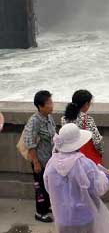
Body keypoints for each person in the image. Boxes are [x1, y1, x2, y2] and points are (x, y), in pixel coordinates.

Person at [43, 123, 109, 233]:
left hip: (62, 216)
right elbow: (98, 189)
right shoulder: (85, 164)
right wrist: (106, 177)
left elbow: (48, 187)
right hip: (84, 216)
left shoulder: (51, 164)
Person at [23, 90, 56, 223]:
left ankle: (46, 207)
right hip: (40, 161)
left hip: (49, 160)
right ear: (40, 106)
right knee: (40, 187)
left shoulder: (49, 117)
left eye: (51, 101)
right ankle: (39, 213)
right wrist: (35, 162)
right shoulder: (35, 121)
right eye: (48, 103)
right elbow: (29, 142)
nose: (52, 105)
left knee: (48, 185)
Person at [61, 90, 104, 164]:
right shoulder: (87, 119)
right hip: (86, 159)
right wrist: (100, 152)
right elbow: (97, 141)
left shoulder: (64, 119)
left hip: (69, 157)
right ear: (86, 104)